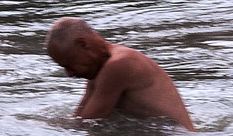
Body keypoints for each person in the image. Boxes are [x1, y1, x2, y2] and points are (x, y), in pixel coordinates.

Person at [45, 17, 195, 130]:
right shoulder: (99, 70)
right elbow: (78, 120)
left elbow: (86, 124)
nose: (69, 74)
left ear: (83, 44)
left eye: (69, 64)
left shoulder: (118, 65)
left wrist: (34, 126)